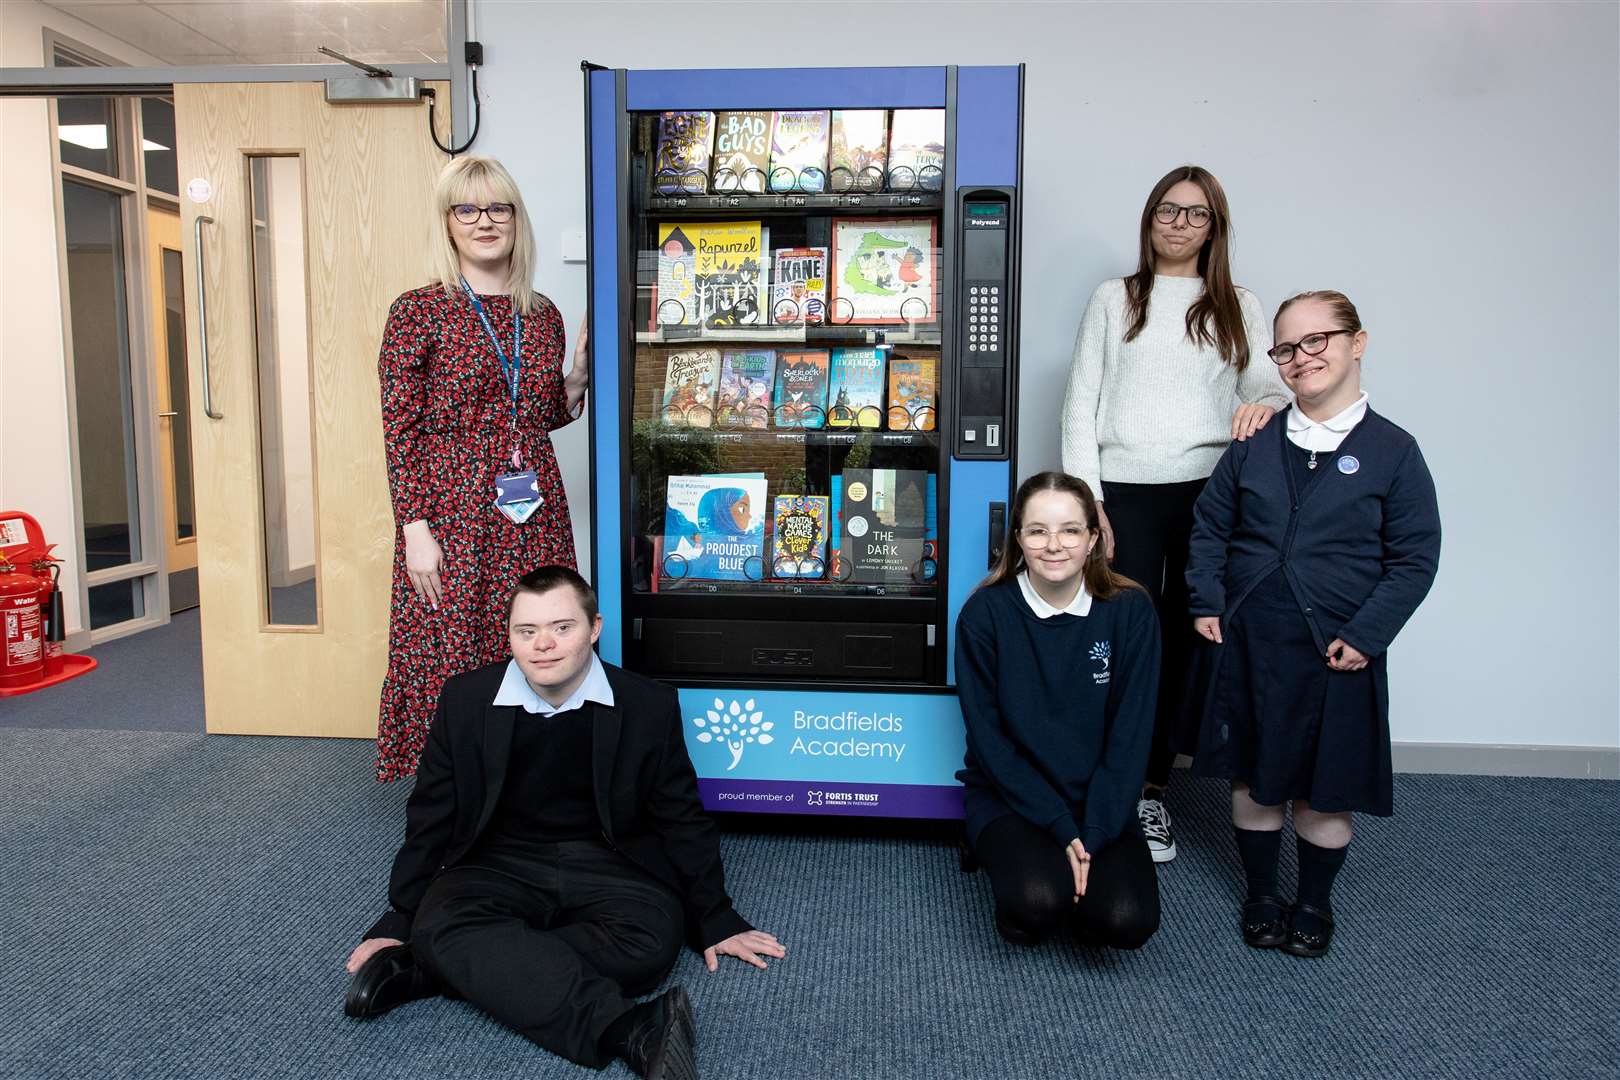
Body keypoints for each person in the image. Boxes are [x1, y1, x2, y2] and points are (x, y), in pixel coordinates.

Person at [344, 566, 785, 1079]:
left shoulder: (647, 703)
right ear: (509, 635)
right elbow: (430, 815)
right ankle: (629, 1028)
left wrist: (715, 917)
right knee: (441, 918)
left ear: (594, 628)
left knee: (649, 948)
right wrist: (401, 915)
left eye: (562, 628)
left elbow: (680, 816)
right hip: (498, 860)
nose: (543, 646)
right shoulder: (465, 699)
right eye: (525, 632)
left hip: (610, 860)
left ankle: (434, 968)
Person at [1183, 290, 1440, 957]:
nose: (1301, 359)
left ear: (1357, 342)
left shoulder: (1394, 451)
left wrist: (1366, 635)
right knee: (1253, 778)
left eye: (1317, 341)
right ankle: (1262, 893)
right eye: (1287, 348)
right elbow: (1211, 525)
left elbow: (1414, 559)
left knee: (1324, 795)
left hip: (1338, 651)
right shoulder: (1253, 442)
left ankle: (1315, 902)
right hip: (1252, 640)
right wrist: (1207, 599)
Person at [1060, 165, 1291, 863]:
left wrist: (1267, 402)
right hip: (1124, 490)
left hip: (1208, 492)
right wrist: (1085, 500)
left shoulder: (1237, 304)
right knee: (1125, 636)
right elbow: (1081, 398)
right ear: (1150, 219)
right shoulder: (1116, 297)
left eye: (1197, 215)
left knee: (1192, 638)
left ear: (1214, 227)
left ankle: (1153, 790)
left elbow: (1270, 387)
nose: (1181, 225)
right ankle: (1110, 778)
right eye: (1168, 211)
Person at [375, 155, 588, 780]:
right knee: (451, 642)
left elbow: (534, 415)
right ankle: (460, 783)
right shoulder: (418, 311)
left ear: (517, 220)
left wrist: (574, 379)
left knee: (534, 631)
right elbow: (400, 428)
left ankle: (528, 775)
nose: (485, 222)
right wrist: (415, 529)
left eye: (499, 208)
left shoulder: (541, 313)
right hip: (451, 509)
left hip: (531, 503)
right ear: (448, 223)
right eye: (467, 209)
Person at [955, 471, 1162, 951]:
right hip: (1010, 795)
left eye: (1070, 530)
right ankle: (1007, 863)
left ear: (1093, 538)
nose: (1054, 545)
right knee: (1037, 904)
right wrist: (1060, 827)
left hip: (1100, 797)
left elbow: (1131, 739)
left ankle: (1079, 886)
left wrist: (1093, 831)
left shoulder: (1130, 611)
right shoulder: (985, 615)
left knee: (1126, 922)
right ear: (1018, 540)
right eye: (1037, 530)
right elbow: (991, 745)